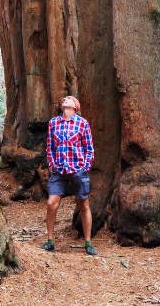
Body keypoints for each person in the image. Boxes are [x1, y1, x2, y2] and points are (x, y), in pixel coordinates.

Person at [41, 95, 96, 254]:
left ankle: (88, 243)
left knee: (83, 205)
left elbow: (89, 148)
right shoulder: (53, 123)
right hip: (59, 171)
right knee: (51, 204)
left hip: (78, 170)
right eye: (64, 98)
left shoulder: (82, 123)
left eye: (69, 98)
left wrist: (85, 167)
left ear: (75, 106)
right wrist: (52, 164)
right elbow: (50, 147)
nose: (65, 99)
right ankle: (50, 242)